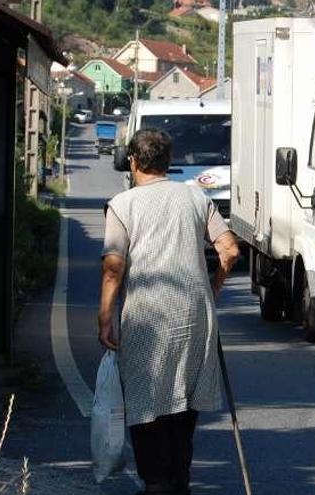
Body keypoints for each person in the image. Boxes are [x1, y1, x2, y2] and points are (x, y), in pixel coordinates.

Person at [98, 129, 240, 495]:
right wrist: (216, 285)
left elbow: (114, 267)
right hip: (193, 313)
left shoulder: (122, 204)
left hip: (146, 317)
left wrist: (104, 317)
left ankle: (158, 484)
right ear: (168, 161)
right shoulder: (195, 195)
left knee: (147, 401)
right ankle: (178, 480)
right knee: (183, 399)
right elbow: (230, 250)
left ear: (132, 162)